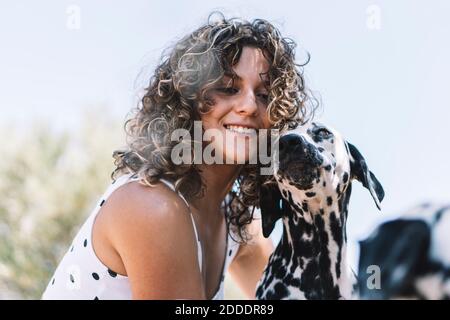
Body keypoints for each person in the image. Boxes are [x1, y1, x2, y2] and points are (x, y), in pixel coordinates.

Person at [42, 12, 313, 300]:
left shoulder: (238, 222)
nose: (248, 105)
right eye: (228, 88)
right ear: (188, 101)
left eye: (265, 95)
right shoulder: (152, 207)